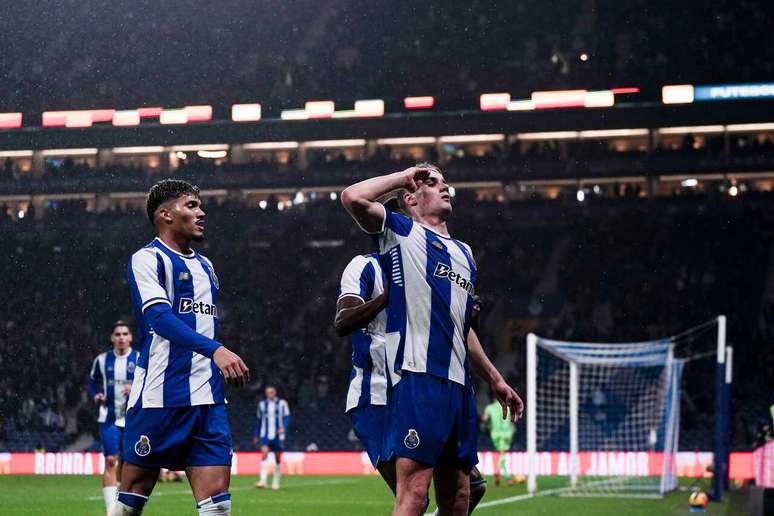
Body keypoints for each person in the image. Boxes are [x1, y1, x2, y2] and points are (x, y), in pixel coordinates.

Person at [341, 163, 524, 515]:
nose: (445, 187)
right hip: (419, 378)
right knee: (414, 493)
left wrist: (496, 379)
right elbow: (352, 197)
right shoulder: (403, 232)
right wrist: (401, 177)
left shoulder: (465, 254)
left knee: (460, 496)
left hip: (460, 387)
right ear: (410, 198)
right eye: (433, 183)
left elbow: (462, 327)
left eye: (445, 182)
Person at [111, 179, 249, 516]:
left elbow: (199, 322)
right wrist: (216, 350)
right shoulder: (147, 259)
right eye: (191, 205)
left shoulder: (206, 266)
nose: (201, 212)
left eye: (200, 205)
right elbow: (159, 319)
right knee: (130, 502)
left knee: (217, 505)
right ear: (165, 214)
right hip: (161, 396)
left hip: (208, 400)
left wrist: (212, 354)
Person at [334, 252, 488, 514]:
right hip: (378, 395)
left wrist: (468, 320)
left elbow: (452, 338)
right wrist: (385, 298)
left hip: (423, 392)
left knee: (472, 486)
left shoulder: (429, 274)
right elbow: (342, 321)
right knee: (414, 496)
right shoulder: (365, 266)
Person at [88, 321, 139, 514]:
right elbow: (93, 381)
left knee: (128, 463)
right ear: (112, 338)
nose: (121, 338)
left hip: (133, 419)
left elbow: (151, 383)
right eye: (117, 334)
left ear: (130, 337)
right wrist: (96, 394)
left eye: (125, 334)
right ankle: (111, 510)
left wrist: (135, 388)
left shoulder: (139, 358)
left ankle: (123, 504)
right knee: (111, 460)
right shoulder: (102, 360)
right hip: (108, 418)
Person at [253, 386, 290, 490]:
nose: (270, 394)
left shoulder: (282, 403)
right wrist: (256, 434)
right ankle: (263, 481)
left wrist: (283, 427)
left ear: (275, 392)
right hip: (265, 434)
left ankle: (276, 481)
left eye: (272, 392)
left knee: (277, 457)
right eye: (268, 392)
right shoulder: (262, 405)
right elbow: (259, 420)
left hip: (278, 435)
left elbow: (287, 417)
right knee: (264, 453)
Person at [482, 397, 516, 486]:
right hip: (507, 434)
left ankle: (500, 472)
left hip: (495, 434)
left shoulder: (489, 407)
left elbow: (485, 419)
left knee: (501, 453)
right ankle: (505, 475)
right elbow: (514, 419)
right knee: (502, 455)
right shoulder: (509, 407)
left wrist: (487, 425)